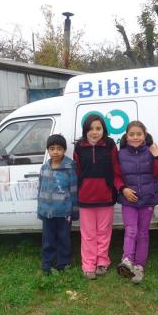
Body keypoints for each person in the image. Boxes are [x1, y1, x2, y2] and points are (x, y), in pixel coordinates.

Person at [74, 114, 124, 280]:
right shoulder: (79, 147)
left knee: (103, 231)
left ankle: (102, 261)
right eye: (91, 129)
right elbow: (77, 171)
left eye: (98, 128)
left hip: (106, 196)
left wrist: (116, 187)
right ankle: (88, 264)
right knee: (88, 233)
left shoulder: (110, 145)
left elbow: (116, 168)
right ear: (85, 130)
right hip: (85, 197)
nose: (94, 132)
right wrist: (81, 187)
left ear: (104, 129)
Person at [117, 121, 158, 284]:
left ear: (145, 135)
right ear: (126, 136)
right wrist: (123, 189)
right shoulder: (121, 153)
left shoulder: (151, 151)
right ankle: (127, 261)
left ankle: (139, 266)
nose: (135, 137)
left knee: (143, 233)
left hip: (147, 199)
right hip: (128, 200)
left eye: (139, 134)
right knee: (131, 230)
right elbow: (115, 176)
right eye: (132, 134)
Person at [37, 134, 78, 275]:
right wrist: (40, 210)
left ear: (64, 150)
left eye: (59, 148)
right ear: (48, 150)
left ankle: (63, 263)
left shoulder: (70, 167)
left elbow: (73, 189)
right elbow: (40, 189)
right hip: (47, 212)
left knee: (64, 239)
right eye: (52, 148)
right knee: (47, 240)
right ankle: (47, 264)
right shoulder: (44, 168)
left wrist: (74, 211)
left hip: (64, 213)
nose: (55, 152)